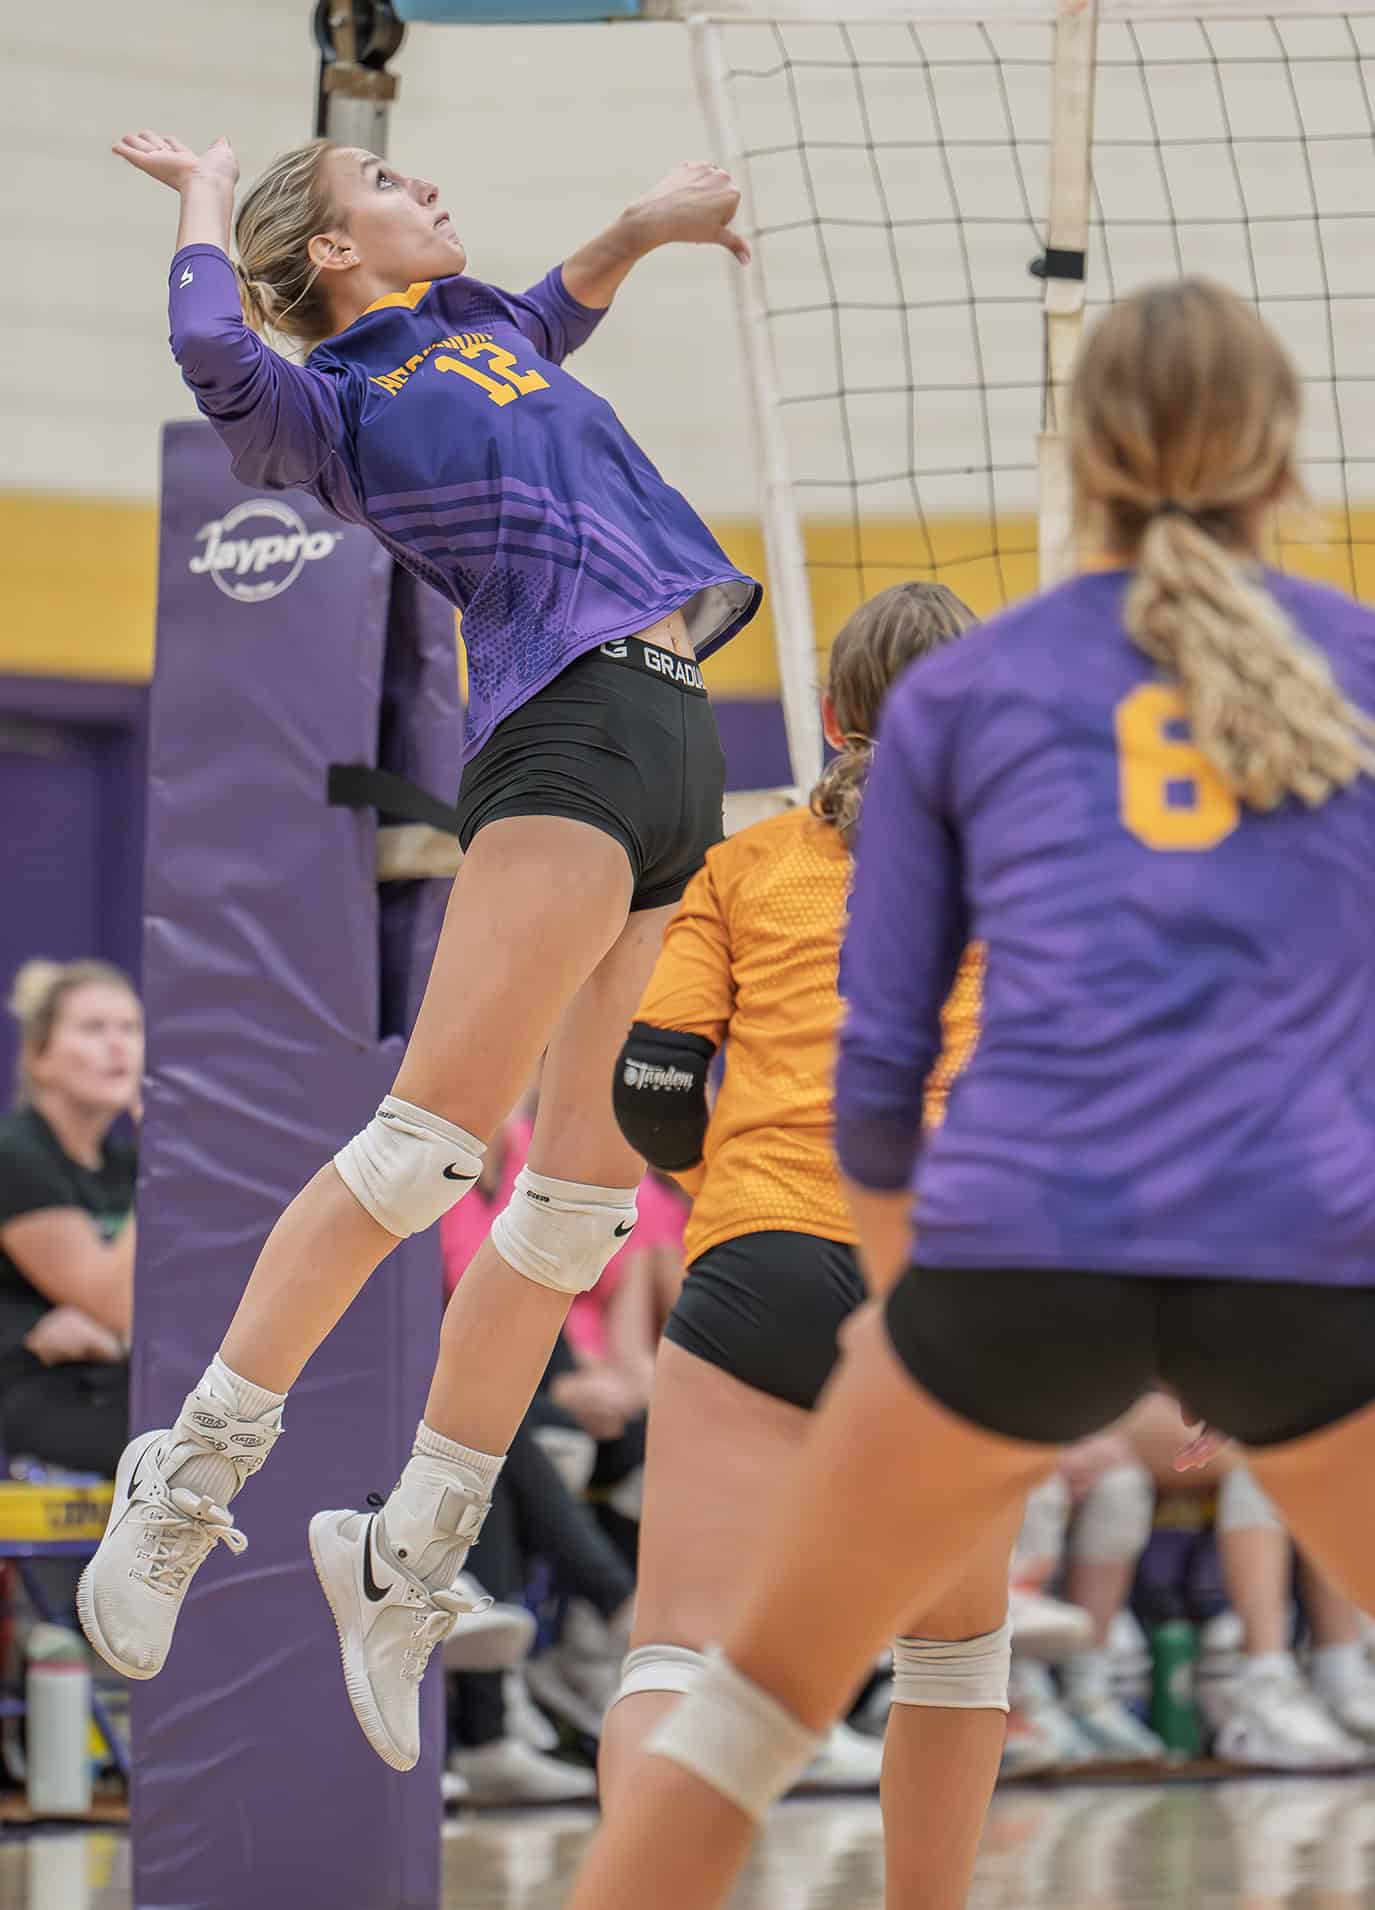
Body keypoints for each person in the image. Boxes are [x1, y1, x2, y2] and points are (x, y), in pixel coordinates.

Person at [563, 276, 1375, 1910]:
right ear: (1282, 457)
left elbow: (878, 1069)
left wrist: (903, 1304)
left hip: (996, 1250)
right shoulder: (1350, 661)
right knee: (941, 1653)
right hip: (1283, 1227)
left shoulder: (964, 703)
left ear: (1083, 460)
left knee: (744, 1705)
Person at [80, 127, 759, 1777]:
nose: (428, 185)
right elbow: (209, 351)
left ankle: (410, 1552)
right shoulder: (338, 407)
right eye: (387, 178)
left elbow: (557, 304)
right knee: (424, 1151)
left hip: (683, 744)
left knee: (582, 1211)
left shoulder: (487, 335)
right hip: (570, 728)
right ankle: (186, 1478)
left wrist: (643, 225)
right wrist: (202, 197)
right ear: (327, 250)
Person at [605, 582, 1029, 1886]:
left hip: (761, 1260)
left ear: (833, 718)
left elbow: (651, 1090)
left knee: (674, 1646)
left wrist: (720, 1189)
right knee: (954, 1648)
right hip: (954, 1277)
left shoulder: (743, 864)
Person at [0, 961, 142, 1476]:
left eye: (130, 1028)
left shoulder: (126, 1162)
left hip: (112, 1383)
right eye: (94, 1028)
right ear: (39, 1056)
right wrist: (167, 1159)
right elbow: (114, 1303)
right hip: (40, 1396)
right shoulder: (15, 1153)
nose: (118, 1045)